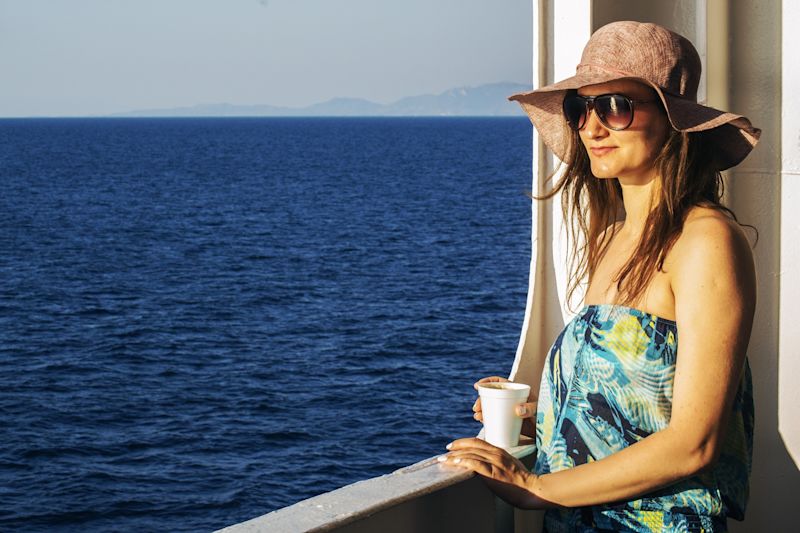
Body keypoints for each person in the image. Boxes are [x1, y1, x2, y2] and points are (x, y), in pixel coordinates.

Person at [437, 21, 760, 532]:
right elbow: (638, 401)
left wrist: (533, 488)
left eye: (615, 106)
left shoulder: (705, 241)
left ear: (674, 121)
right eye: (579, 109)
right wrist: (539, 410)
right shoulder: (613, 239)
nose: (591, 127)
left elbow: (695, 441)